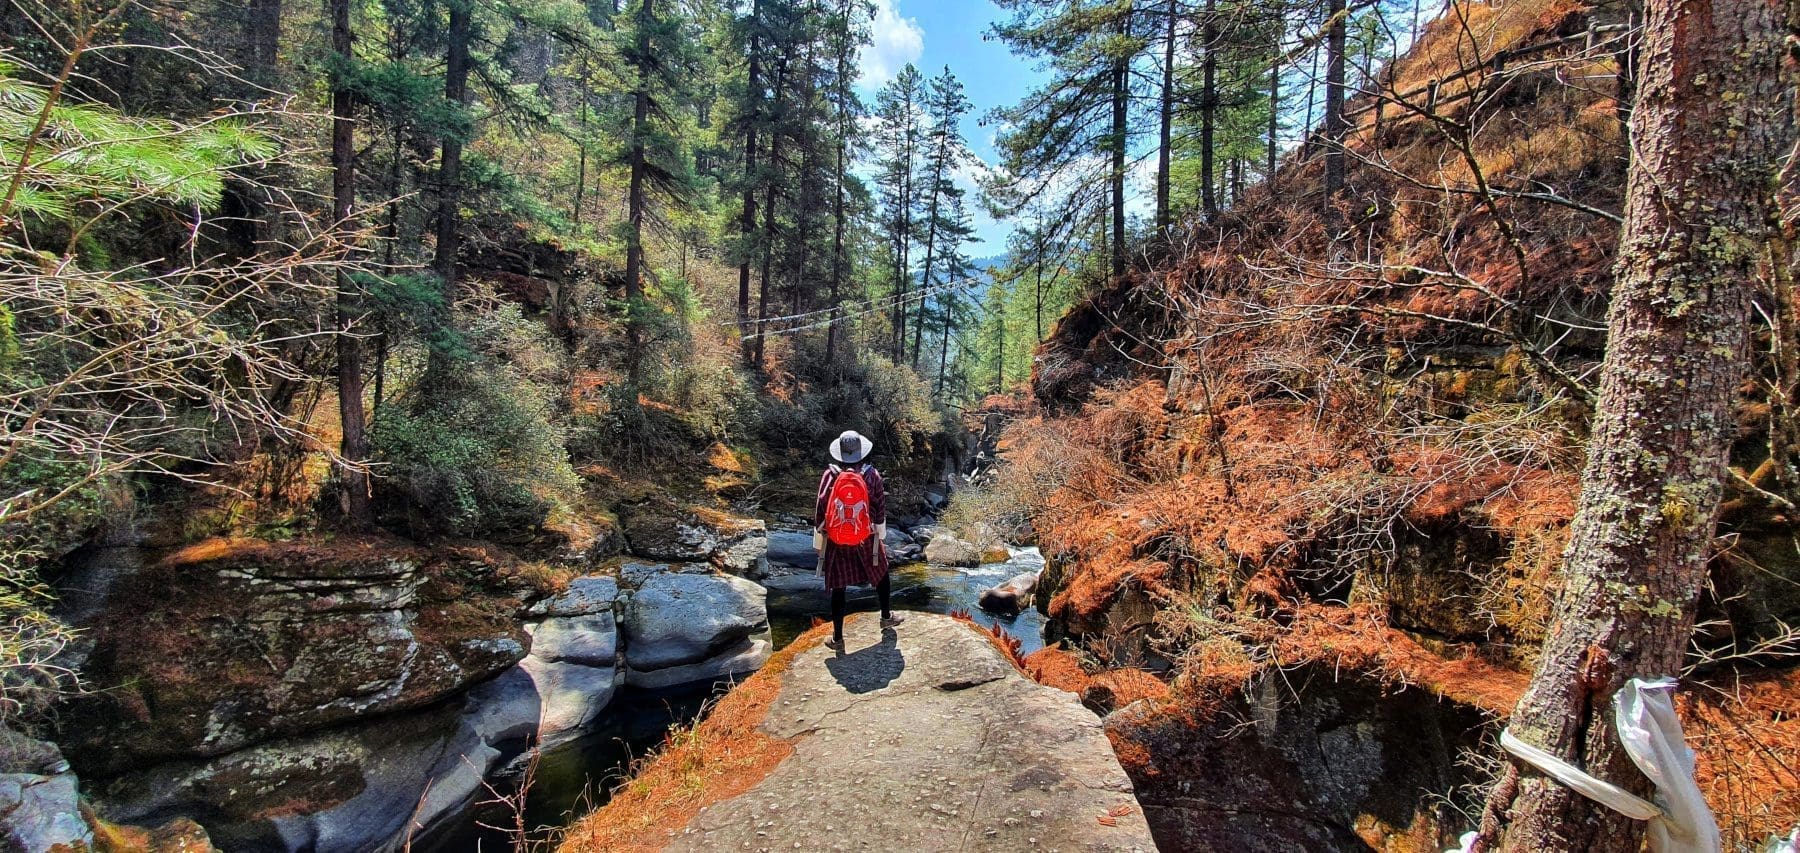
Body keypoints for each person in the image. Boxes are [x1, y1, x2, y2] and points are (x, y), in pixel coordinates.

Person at [814, 430, 903, 650]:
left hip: (836, 539)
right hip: (867, 538)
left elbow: (820, 508)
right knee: (881, 572)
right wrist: (879, 535)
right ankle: (885, 616)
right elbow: (880, 508)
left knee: (839, 587)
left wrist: (819, 540)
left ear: (840, 453)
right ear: (862, 453)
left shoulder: (830, 474)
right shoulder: (872, 475)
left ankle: (837, 638)